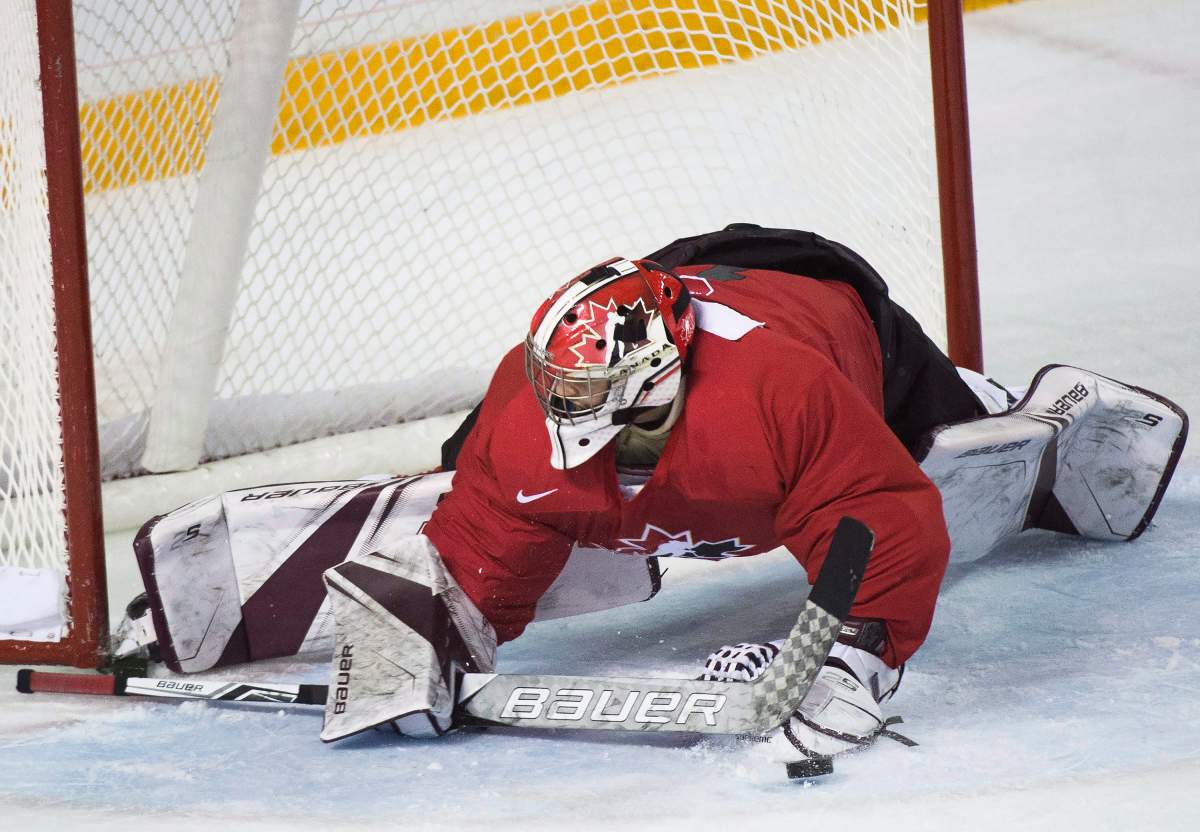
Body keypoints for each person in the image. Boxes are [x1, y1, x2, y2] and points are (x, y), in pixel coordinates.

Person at [126, 225, 1187, 753]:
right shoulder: (525, 403)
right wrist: (449, 618)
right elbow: (499, 528)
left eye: (594, 397)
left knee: (939, 453)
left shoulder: (776, 390)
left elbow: (881, 516)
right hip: (671, 287)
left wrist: (856, 645)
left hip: (827, 304)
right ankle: (646, 522)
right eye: (559, 387)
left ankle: (1017, 404)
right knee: (484, 467)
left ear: (661, 383)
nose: (564, 408)